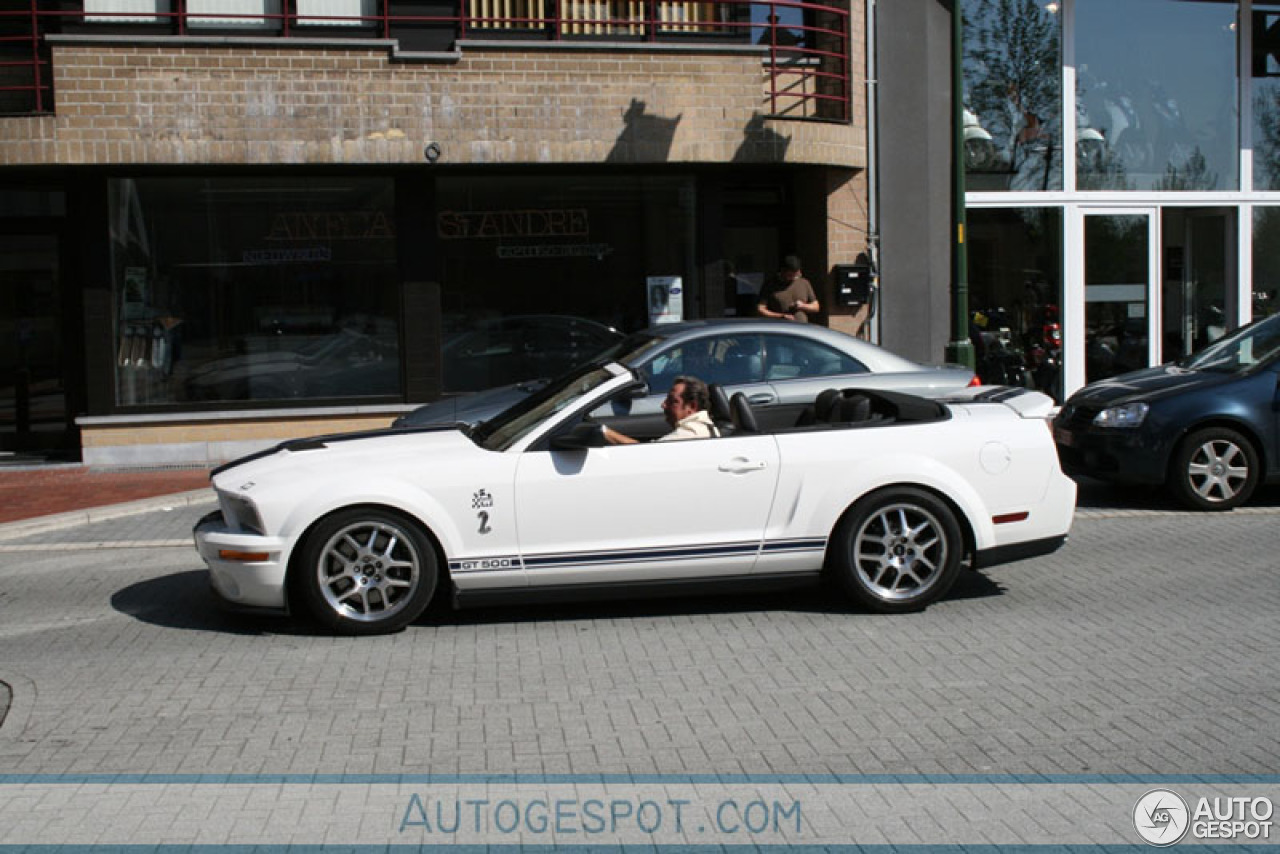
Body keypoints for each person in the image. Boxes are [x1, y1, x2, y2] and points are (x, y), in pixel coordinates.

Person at [601, 375, 718, 444]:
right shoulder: (704, 427)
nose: (663, 405)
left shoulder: (691, 434)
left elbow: (646, 453)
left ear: (692, 407)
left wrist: (605, 432)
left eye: (673, 401)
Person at [757, 255, 820, 322]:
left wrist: (802, 306)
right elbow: (760, 309)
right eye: (792, 275)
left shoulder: (804, 283)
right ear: (783, 271)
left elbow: (816, 307)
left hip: (802, 329)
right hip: (782, 328)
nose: (796, 277)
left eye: (797, 274)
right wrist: (781, 316)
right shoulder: (770, 285)